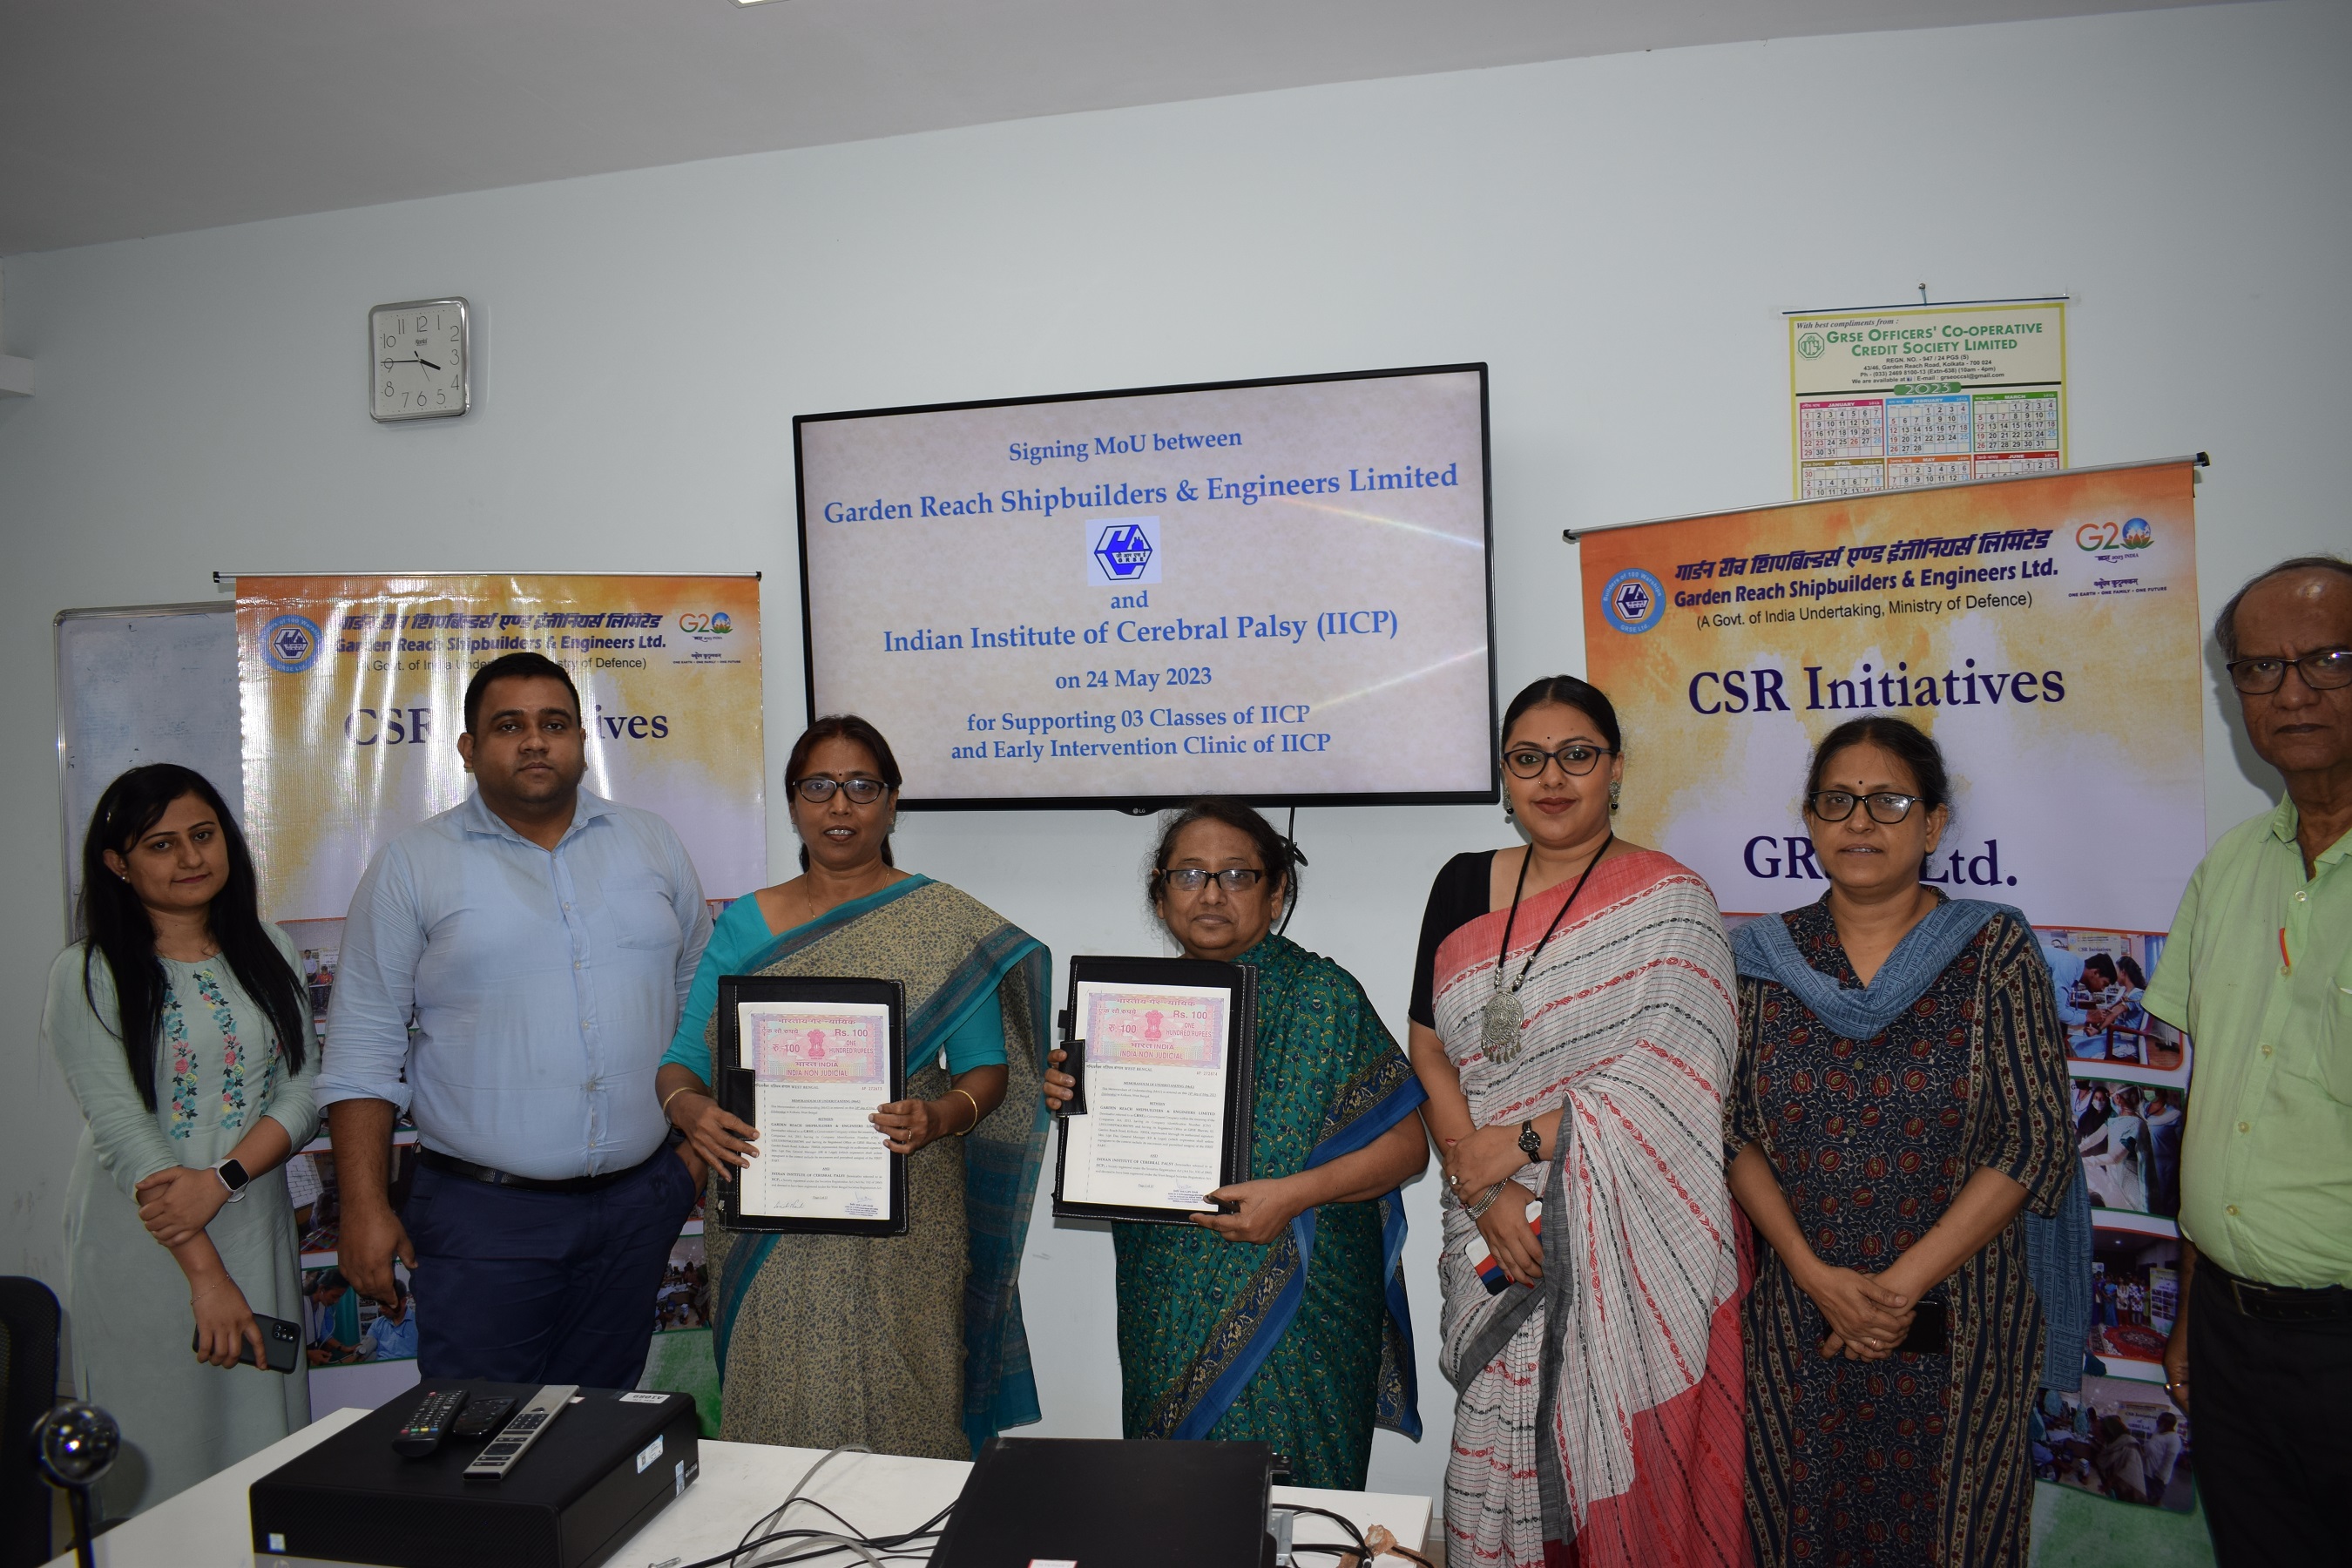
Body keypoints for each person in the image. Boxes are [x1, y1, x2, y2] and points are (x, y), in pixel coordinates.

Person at [1407, 675, 1746, 1567]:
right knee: (1497, 1437)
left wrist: (1516, 1148)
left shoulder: (1673, 900)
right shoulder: (1462, 885)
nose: (1552, 779)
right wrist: (1483, 1190)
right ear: (1505, 778)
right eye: (1528, 760)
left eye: (1577, 757)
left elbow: (1676, 1076)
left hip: (1627, 1226)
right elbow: (1428, 1049)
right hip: (1488, 1214)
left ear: (1616, 769)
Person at [1727, 715, 2075, 1568]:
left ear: (1932, 823)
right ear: (1807, 821)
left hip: (1964, 1328)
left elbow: (2034, 1140)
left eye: (1887, 801)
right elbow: (1729, 1131)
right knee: (1800, 1534)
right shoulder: (1758, 960)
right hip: (1798, 1323)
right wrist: (1817, 1278)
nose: (1860, 822)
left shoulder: (1994, 951)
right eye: (1837, 801)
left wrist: (1890, 1295)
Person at [660, 715, 1051, 1459]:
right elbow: (682, 1060)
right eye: (819, 787)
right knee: (777, 1411)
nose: (840, 806)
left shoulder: (940, 921)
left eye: (862, 787)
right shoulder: (745, 923)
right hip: (768, 1208)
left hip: (905, 1210)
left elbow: (988, 1071)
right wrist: (689, 1109)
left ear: (892, 802)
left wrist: (939, 1116)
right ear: (794, 802)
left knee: (907, 1401)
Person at [318, 652, 711, 1386]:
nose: (536, 741)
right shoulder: (412, 866)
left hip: (637, 1208)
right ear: (468, 750)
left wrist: (683, 1164)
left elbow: (700, 1003)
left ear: (582, 742)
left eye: (554, 724)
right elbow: (363, 1045)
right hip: (484, 1221)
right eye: (510, 725)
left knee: (601, 1435)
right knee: (476, 1440)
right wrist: (363, 1207)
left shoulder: (650, 844)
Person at [1037, 801, 1427, 1489]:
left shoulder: (1322, 996)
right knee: (1179, 1509)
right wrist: (1079, 1099)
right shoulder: (1129, 1013)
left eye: (1236, 875)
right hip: (1166, 1298)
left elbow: (1408, 1149)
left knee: (1297, 1519)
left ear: (1275, 893)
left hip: (1304, 1310)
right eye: (1189, 874)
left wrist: (1292, 1196)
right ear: (1161, 897)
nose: (1211, 893)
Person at [2144, 556, 2352, 1565]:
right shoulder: (2230, 867)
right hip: (2230, 1338)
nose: (2294, 691)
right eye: (2260, 670)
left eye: (2329, 659)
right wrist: (2190, 1314)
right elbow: (2214, 1101)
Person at [44, 764, 321, 1517]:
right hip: (145, 1247)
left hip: (251, 1226)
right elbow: (125, 1130)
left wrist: (223, 1179)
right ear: (117, 864)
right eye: (161, 845)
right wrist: (205, 1275)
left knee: (260, 1443)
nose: (191, 858)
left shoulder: (267, 948)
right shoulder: (89, 973)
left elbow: (301, 1091)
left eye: (203, 836)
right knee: (165, 1448)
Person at [2142, 1088, 2184, 1218]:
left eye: (2151, 1088)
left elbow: (2181, 1143)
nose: (2147, 1090)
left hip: (2165, 1169)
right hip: (2144, 1166)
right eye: (2145, 1088)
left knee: (2165, 1205)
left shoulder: (2174, 1115)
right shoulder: (2142, 1109)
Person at [2144, 1409, 2184, 1495]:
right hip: (2147, 1473)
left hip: (2157, 1478)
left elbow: (2169, 1461)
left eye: (2159, 1421)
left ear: (2167, 1423)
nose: (2157, 1423)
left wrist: (2159, 1478)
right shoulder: (2159, 1432)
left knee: (2151, 1500)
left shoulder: (2174, 1439)